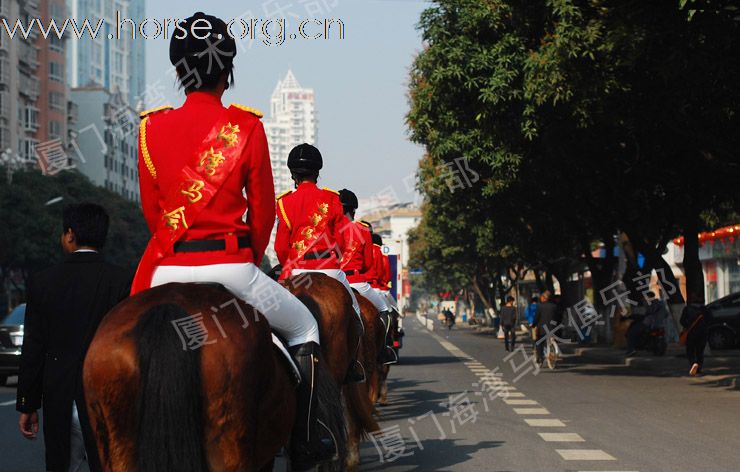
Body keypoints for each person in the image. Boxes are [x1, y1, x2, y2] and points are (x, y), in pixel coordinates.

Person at [131, 13, 333, 468]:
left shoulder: (150, 129)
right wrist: (250, 257)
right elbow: (262, 218)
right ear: (228, 70)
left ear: (179, 70)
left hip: (165, 268)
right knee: (306, 328)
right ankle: (305, 440)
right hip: (232, 268)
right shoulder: (246, 127)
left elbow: (152, 213)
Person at [16, 203, 131, 472]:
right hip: (108, 394)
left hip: (59, 395)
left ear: (69, 234)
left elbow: (34, 347)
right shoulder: (123, 280)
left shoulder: (42, 281)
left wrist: (27, 404)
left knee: (62, 464)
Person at [274, 142, 365, 383]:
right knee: (356, 314)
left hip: (296, 271)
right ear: (317, 172)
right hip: (331, 271)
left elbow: (281, 247)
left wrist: (290, 268)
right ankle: (354, 363)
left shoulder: (284, 203)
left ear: (293, 174)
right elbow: (343, 240)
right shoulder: (332, 199)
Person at [337, 188, 396, 364]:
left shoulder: (328, 230)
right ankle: (383, 349)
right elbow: (368, 265)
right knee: (384, 311)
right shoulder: (362, 231)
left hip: (334, 278)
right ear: (353, 210)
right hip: (356, 281)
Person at [680, 293, 711, 376]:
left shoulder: (687, 309)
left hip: (691, 333)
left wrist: (687, 326)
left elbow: (682, 321)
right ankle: (699, 367)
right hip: (703, 333)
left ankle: (693, 363)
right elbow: (710, 320)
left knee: (690, 350)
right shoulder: (705, 309)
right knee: (700, 351)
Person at [533, 291, 558, 364]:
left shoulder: (539, 306)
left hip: (542, 329)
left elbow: (537, 317)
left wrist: (533, 325)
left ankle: (540, 357)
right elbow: (556, 318)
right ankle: (551, 352)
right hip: (552, 328)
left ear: (543, 298)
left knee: (538, 342)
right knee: (550, 340)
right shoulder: (554, 306)